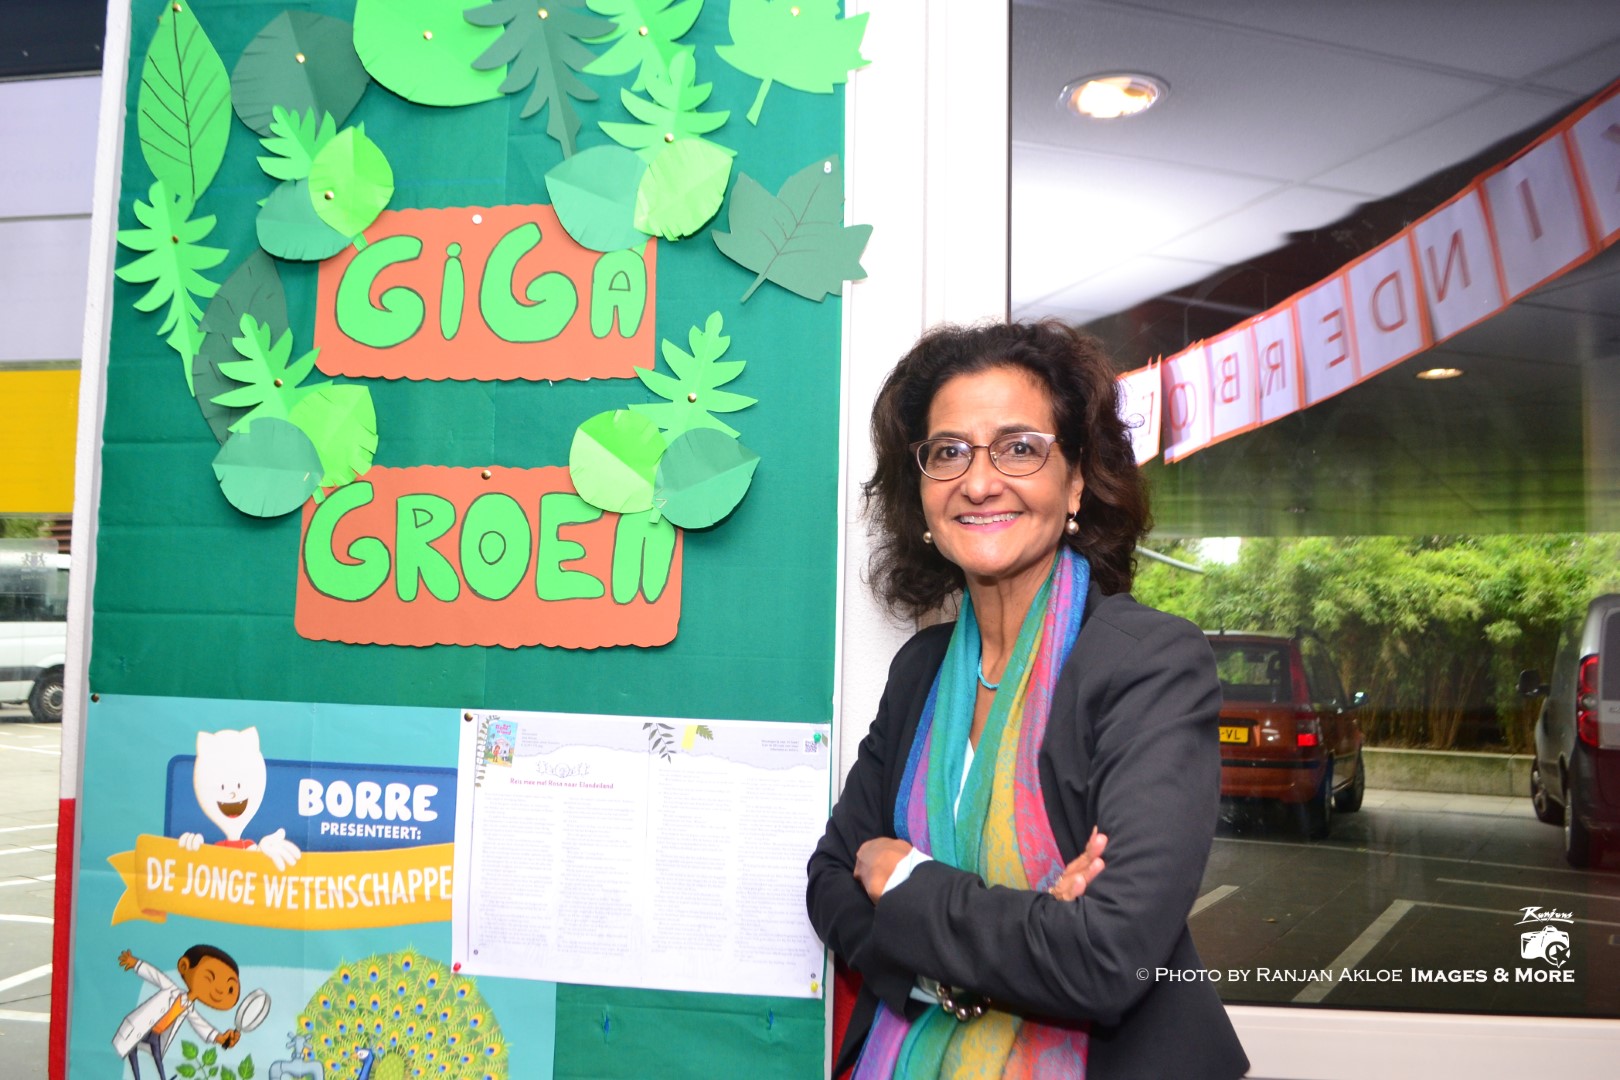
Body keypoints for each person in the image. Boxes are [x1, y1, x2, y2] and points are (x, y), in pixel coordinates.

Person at [807, 321, 1248, 1079]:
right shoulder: (920, 670)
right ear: (922, 492)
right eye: (949, 452)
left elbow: (1106, 956)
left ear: (1075, 482)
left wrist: (907, 882)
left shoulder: (1148, 664)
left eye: (1019, 447)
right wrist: (976, 963)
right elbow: (829, 880)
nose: (979, 482)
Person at [113, 944, 242, 1080]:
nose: (219, 990)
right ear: (184, 966)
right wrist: (135, 963)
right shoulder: (171, 990)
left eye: (230, 989)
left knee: (156, 1056)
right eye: (210, 977)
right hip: (142, 1028)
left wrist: (220, 1038)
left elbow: (200, 1025)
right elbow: (155, 975)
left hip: (156, 1035)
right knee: (132, 1050)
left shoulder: (188, 1008)